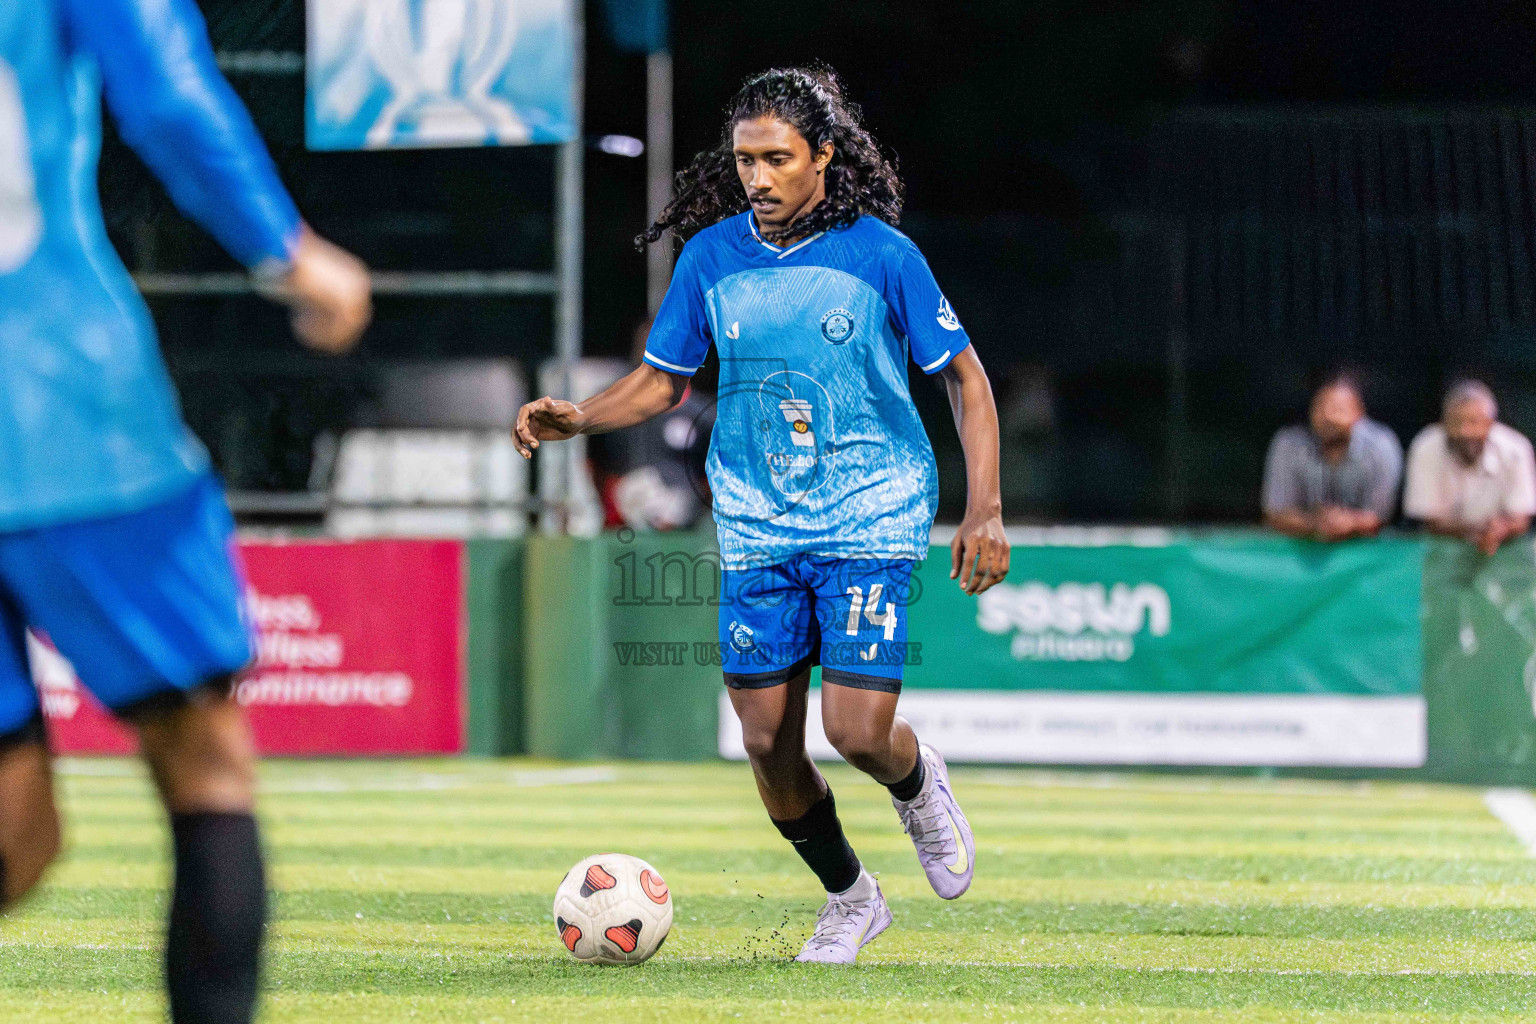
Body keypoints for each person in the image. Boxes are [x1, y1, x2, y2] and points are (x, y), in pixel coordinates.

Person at [514, 65, 1008, 964]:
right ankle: (852, 898)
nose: (758, 177)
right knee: (766, 739)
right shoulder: (710, 257)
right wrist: (579, 415)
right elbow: (664, 380)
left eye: (777, 158)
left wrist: (986, 508)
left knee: (855, 730)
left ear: (822, 155)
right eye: (745, 160)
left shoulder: (883, 254)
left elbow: (967, 382)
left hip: (869, 512)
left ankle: (915, 780)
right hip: (757, 523)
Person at [0, 2, 371, 1022]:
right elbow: (166, 94)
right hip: (60, 413)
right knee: (202, 756)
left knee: (14, 835)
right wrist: (287, 252)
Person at [1261, 375, 1403, 541]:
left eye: (1338, 409)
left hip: (1366, 551)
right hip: (1303, 550)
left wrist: (1350, 522)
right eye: (1320, 407)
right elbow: (1275, 513)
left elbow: (1381, 515)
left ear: (1359, 414)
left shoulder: (1381, 445)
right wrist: (1315, 523)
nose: (1328, 416)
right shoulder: (1289, 444)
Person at [1404, 381, 1536, 556]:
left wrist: (1500, 529)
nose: (1464, 431)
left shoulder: (1516, 449)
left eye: (1474, 422)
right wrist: (1477, 531)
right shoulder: (1425, 446)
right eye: (1456, 422)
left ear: (1490, 423)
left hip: (1505, 548)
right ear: (1443, 422)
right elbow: (1429, 519)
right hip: (1444, 549)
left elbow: (1522, 518)